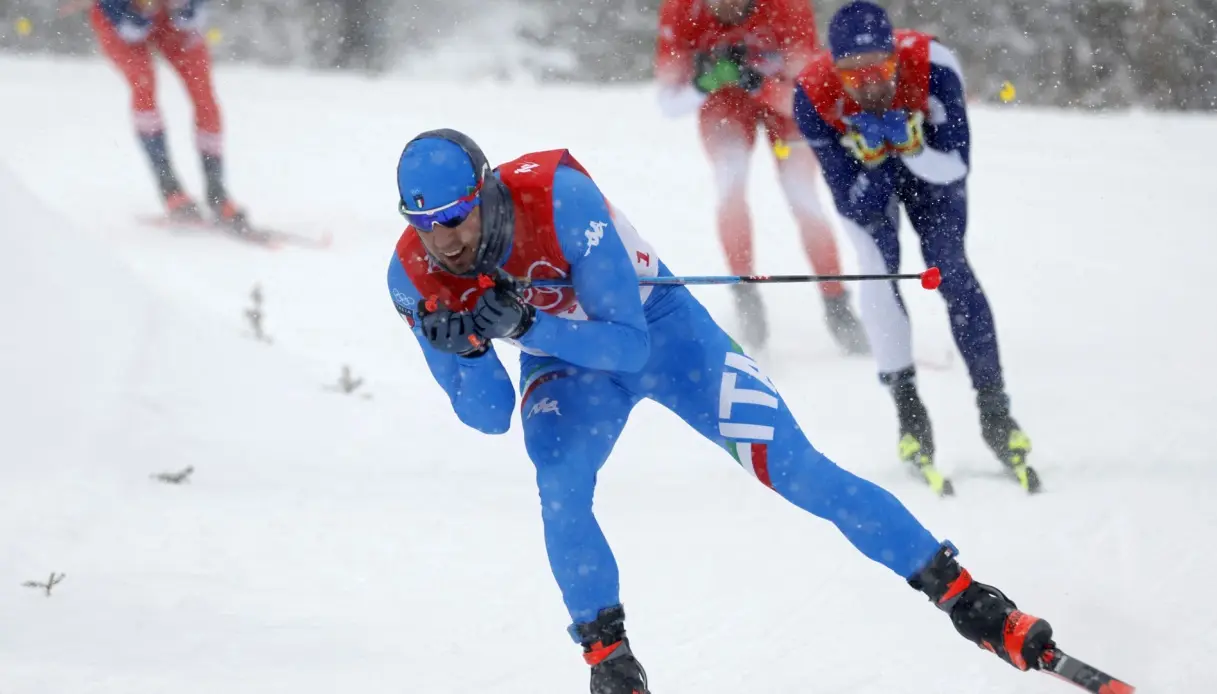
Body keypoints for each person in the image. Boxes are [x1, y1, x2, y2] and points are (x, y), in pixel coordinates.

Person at [386, 128, 1058, 693]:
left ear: (486, 192)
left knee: (795, 469)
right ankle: (609, 662)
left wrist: (527, 327)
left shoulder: (559, 199)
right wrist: (470, 351)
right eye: (423, 224)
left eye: (455, 216)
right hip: (565, 365)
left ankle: (967, 599)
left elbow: (627, 345)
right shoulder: (412, 276)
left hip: (663, 333)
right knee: (559, 489)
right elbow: (489, 416)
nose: (443, 240)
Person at [792, 1, 1038, 494]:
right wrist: (878, 160)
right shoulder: (813, 97)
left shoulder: (935, 67)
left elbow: (954, 168)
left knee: (950, 268)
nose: (867, 84)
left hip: (932, 172)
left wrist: (913, 148)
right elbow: (854, 203)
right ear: (834, 69)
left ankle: (995, 412)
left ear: (895, 59)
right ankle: (910, 417)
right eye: (851, 74)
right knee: (879, 274)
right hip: (870, 183)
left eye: (878, 69)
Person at [653, 0, 867, 353]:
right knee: (730, 184)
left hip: (783, 103)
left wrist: (760, 83)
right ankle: (746, 295)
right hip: (723, 104)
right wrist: (704, 84)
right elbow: (668, 103)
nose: (726, 7)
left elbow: (809, 99)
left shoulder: (787, 8)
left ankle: (836, 303)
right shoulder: (681, 10)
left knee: (802, 195)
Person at [91, 0, 249, 231]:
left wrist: (183, 8)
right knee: (144, 85)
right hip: (121, 20)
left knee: (203, 94)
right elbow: (128, 29)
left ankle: (217, 193)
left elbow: (196, 15)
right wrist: (143, 9)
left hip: (172, 24)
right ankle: (170, 189)